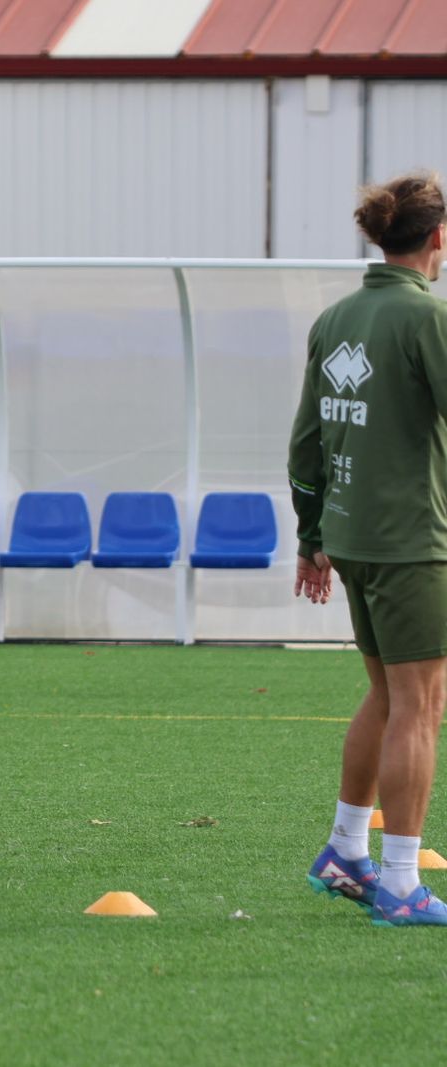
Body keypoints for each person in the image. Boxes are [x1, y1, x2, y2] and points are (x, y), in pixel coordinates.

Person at [292, 172, 447, 927]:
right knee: (422, 704)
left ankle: (345, 848)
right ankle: (399, 884)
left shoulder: (335, 318)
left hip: (351, 535)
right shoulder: (428, 319)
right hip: (413, 540)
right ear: (437, 238)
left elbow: (306, 442)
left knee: (387, 695)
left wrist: (310, 535)